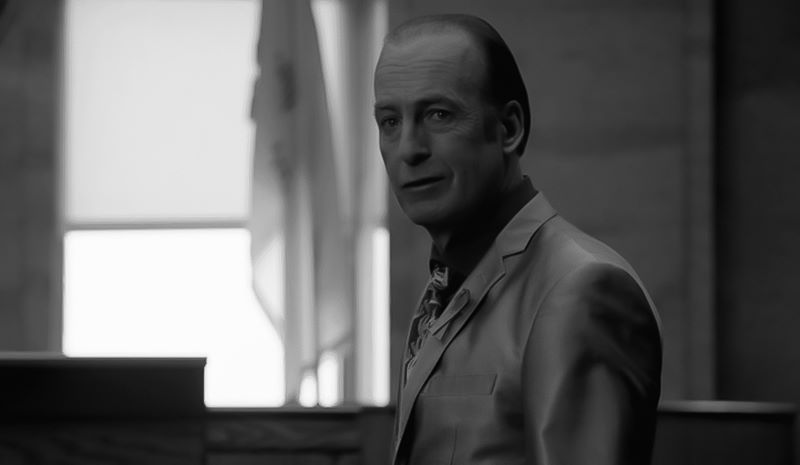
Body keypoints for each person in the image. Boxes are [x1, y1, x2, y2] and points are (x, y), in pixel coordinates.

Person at [373, 13, 663, 465]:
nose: (409, 148)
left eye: (438, 114)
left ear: (509, 129)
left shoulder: (580, 290)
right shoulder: (446, 283)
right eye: (390, 121)